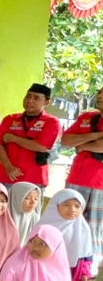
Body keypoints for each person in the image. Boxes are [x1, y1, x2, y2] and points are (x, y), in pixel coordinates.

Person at [61, 88, 103, 268]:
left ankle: (89, 269)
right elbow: (66, 141)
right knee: (68, 222)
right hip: (76, 178)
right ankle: (65, 263)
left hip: (99, 183)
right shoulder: (87, 118)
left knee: (93, 228)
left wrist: (83, 145)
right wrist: (94, 136)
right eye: (99, 93)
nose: (100, 96)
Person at [0, 83, 61, 190]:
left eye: (36, 98)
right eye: (28, 96)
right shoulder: (10, 119)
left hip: (34, 178)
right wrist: (8, 166)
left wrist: (14, 138)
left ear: (46, 102)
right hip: (6, 175)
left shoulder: (52, 122)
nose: (30, 101)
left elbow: (41, 146)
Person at [35, 189, 93, 281]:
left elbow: (86, 257)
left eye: (77, 206)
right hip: (45, 273)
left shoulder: (83, 228)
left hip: (73, 274)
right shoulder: (43, 228)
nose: (72, 209)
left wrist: (84, 274)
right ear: (56, 206)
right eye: (66, 205)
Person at [8, 182, 41, 246]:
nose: (33, 202)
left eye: (36, 199)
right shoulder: (1, 217)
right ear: (15, 198)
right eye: (27, 198)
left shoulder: (35, 218)